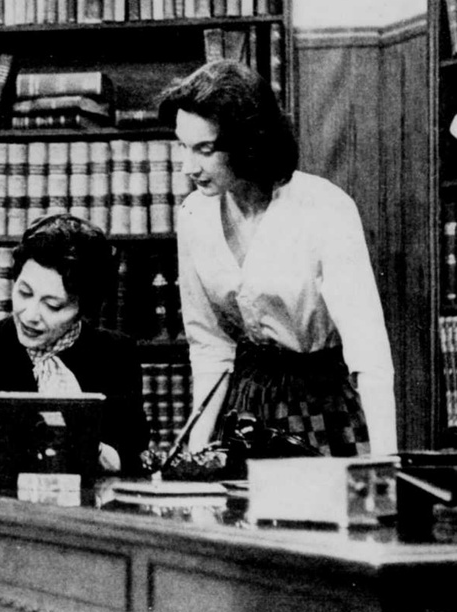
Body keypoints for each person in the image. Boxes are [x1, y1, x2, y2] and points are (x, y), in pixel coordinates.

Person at [156, 60, 396, 457]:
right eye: (183, 146)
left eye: (205, 149)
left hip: (321, 407)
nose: (188, 167)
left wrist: (386, 464)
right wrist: (194, 454)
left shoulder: (325, 208)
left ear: (249, 143)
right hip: (246, 409)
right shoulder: (194, 215)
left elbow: (368, 350)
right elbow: (209, 345)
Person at [0, 213, 151, 478]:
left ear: (84, 308)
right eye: (24, 293)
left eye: (53, 305)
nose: (29, 315)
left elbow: (132, 452)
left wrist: (91, 447)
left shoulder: (115, 354)